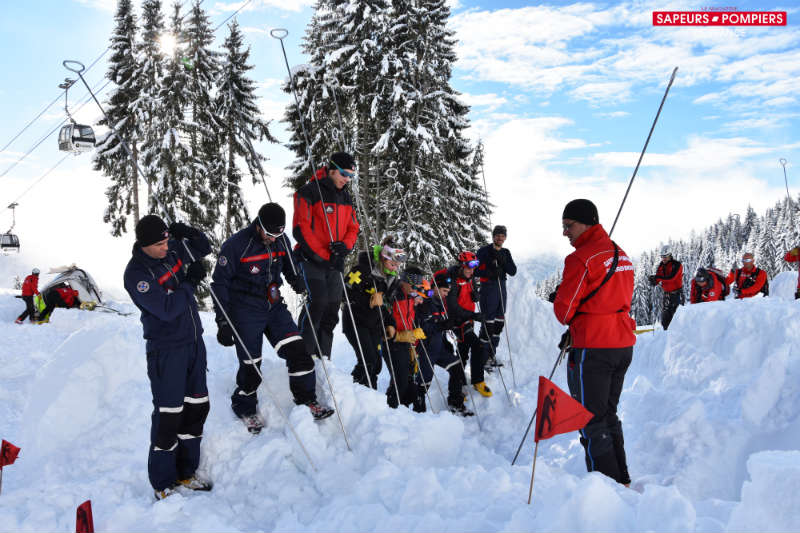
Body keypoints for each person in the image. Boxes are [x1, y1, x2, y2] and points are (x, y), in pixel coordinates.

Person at [211, 203, 333, 433]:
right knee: (251, 364)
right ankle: (245, 406)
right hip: (245, 309)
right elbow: (219, 285)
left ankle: (307, 399)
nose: (273, 238)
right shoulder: (236, 246)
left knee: (298, 351)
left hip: (274, 305)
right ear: (259, 225)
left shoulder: (280, 240)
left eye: (278, 234)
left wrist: (296, 280)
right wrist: (223, 320)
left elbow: (290, 266)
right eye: (269, 233)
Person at [123, 214, 212, 500]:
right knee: (169, 415)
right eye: (161, 243)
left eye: (167, 240)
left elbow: (203, 247)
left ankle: (186, 472)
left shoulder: (170, 248)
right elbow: (166, 308)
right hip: (166, 350)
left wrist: (187, 231)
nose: (167, 246)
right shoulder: (137, 275)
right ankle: (163, 482)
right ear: (145, 244)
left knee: (196, 407)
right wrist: (189, 283)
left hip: (194, 342)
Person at [553, 199, 635, 487]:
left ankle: (607, 490)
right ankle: (621, 480)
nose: (565, 232)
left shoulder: (580, 259)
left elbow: (564, 312)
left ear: (586, 222)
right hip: (622, 343)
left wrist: (560, 297)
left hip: (593, 347)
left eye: (569, 225)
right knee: (608, 415)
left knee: (590, 419)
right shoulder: (620, 253)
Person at [293, 152, 360, 360]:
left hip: (335, 261)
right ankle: (303, 354)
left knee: (332, 309)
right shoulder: (309, 192)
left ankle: (323, 357)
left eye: (350, 175)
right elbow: (300, 228)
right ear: (331, 170)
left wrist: (344, 248)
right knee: (318, 302)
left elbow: (353, 228)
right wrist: (322, 255)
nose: (346, 179)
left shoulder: (346, 197)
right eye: (343, 173)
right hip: (312, 259)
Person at [342, 237, 405, 388]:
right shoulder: (363, 270)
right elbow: (343, 292)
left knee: (376, 364)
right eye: (394, 260)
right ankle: (362, 394)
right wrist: (368, 299)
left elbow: (385, 306)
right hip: (355, 321)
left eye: (399, 261)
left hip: (374, 325)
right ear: (384, 256)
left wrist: (390, 323)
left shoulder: (390, 279)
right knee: (368, 360)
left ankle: (358, 391)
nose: (396, 265)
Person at [417, 269, 473, 416]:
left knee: (457, 367)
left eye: (448, 292)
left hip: (439, 348)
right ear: (434, 287)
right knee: (423, 385)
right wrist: (442, 326)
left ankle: (455, 403)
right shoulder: (425, 303)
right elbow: (423, 328)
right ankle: (417, 416)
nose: (445, 295)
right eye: (443, 291)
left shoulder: (441, 303)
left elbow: (443, 324)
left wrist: (446, 335)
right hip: (425, 350)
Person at [447, 251, 492, 398]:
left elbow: (473, 293)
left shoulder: (470, 278)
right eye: (468, 267)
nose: (471, 271)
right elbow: (453, 307)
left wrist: (476, 295)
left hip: (468, 319)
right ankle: (476, 380)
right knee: (478, 346)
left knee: (463, 352)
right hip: (458, 321)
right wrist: (473, 315)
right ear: (461, 266)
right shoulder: (453, 281)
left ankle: (459, 381)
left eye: (473, 268)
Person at [383, 265, 426, 409]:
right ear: (404, 281)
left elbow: (409, 318)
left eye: (418, 286)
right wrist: (399, 336)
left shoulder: (410, 296)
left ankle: (403, 410)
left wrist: (413, 338)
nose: (416, 289)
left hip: (406, 342)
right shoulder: (394, 294)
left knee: (408, 380)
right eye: (413, 285)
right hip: (393, 342)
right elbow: (384, 322)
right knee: (400, 379)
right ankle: (392, 409)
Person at [476, 225, 517, 369]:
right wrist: (488, 271)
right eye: (497, 235)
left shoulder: (506, 252)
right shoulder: (483, 251)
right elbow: (474, 270)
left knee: (499, 322)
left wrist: (503, 261)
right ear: (493, 236)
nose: (500, 238)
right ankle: (482, 357)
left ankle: (491, 355)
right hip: (488, 289)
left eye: (502, 235)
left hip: (502, 289)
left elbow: (513, 271)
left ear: (505, 237)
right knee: (488, 323)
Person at [648, 247, 684, 330]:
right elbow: (658, 278)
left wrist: (658, 277)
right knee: (665, 319)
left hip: (677, 294)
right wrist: (654, 281)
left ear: (670, 255)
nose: (663, 258)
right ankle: (665, 336)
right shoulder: (661, 265)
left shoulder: (677, 265)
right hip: (667, 295)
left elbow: (671, 278)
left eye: (665, 256)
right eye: (662, 256)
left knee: (676, 317)